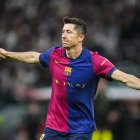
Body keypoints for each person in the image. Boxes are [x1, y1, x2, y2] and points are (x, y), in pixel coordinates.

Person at [0, 17, 140, 140]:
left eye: (69, 32)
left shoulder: (95, 61)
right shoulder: (55, 55)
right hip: (54, 126)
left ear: (81, 37)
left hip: (81, 129)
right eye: (63, 31)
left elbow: (124, 78)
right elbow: (33, 56)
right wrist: (7, 54)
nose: (63, 35)